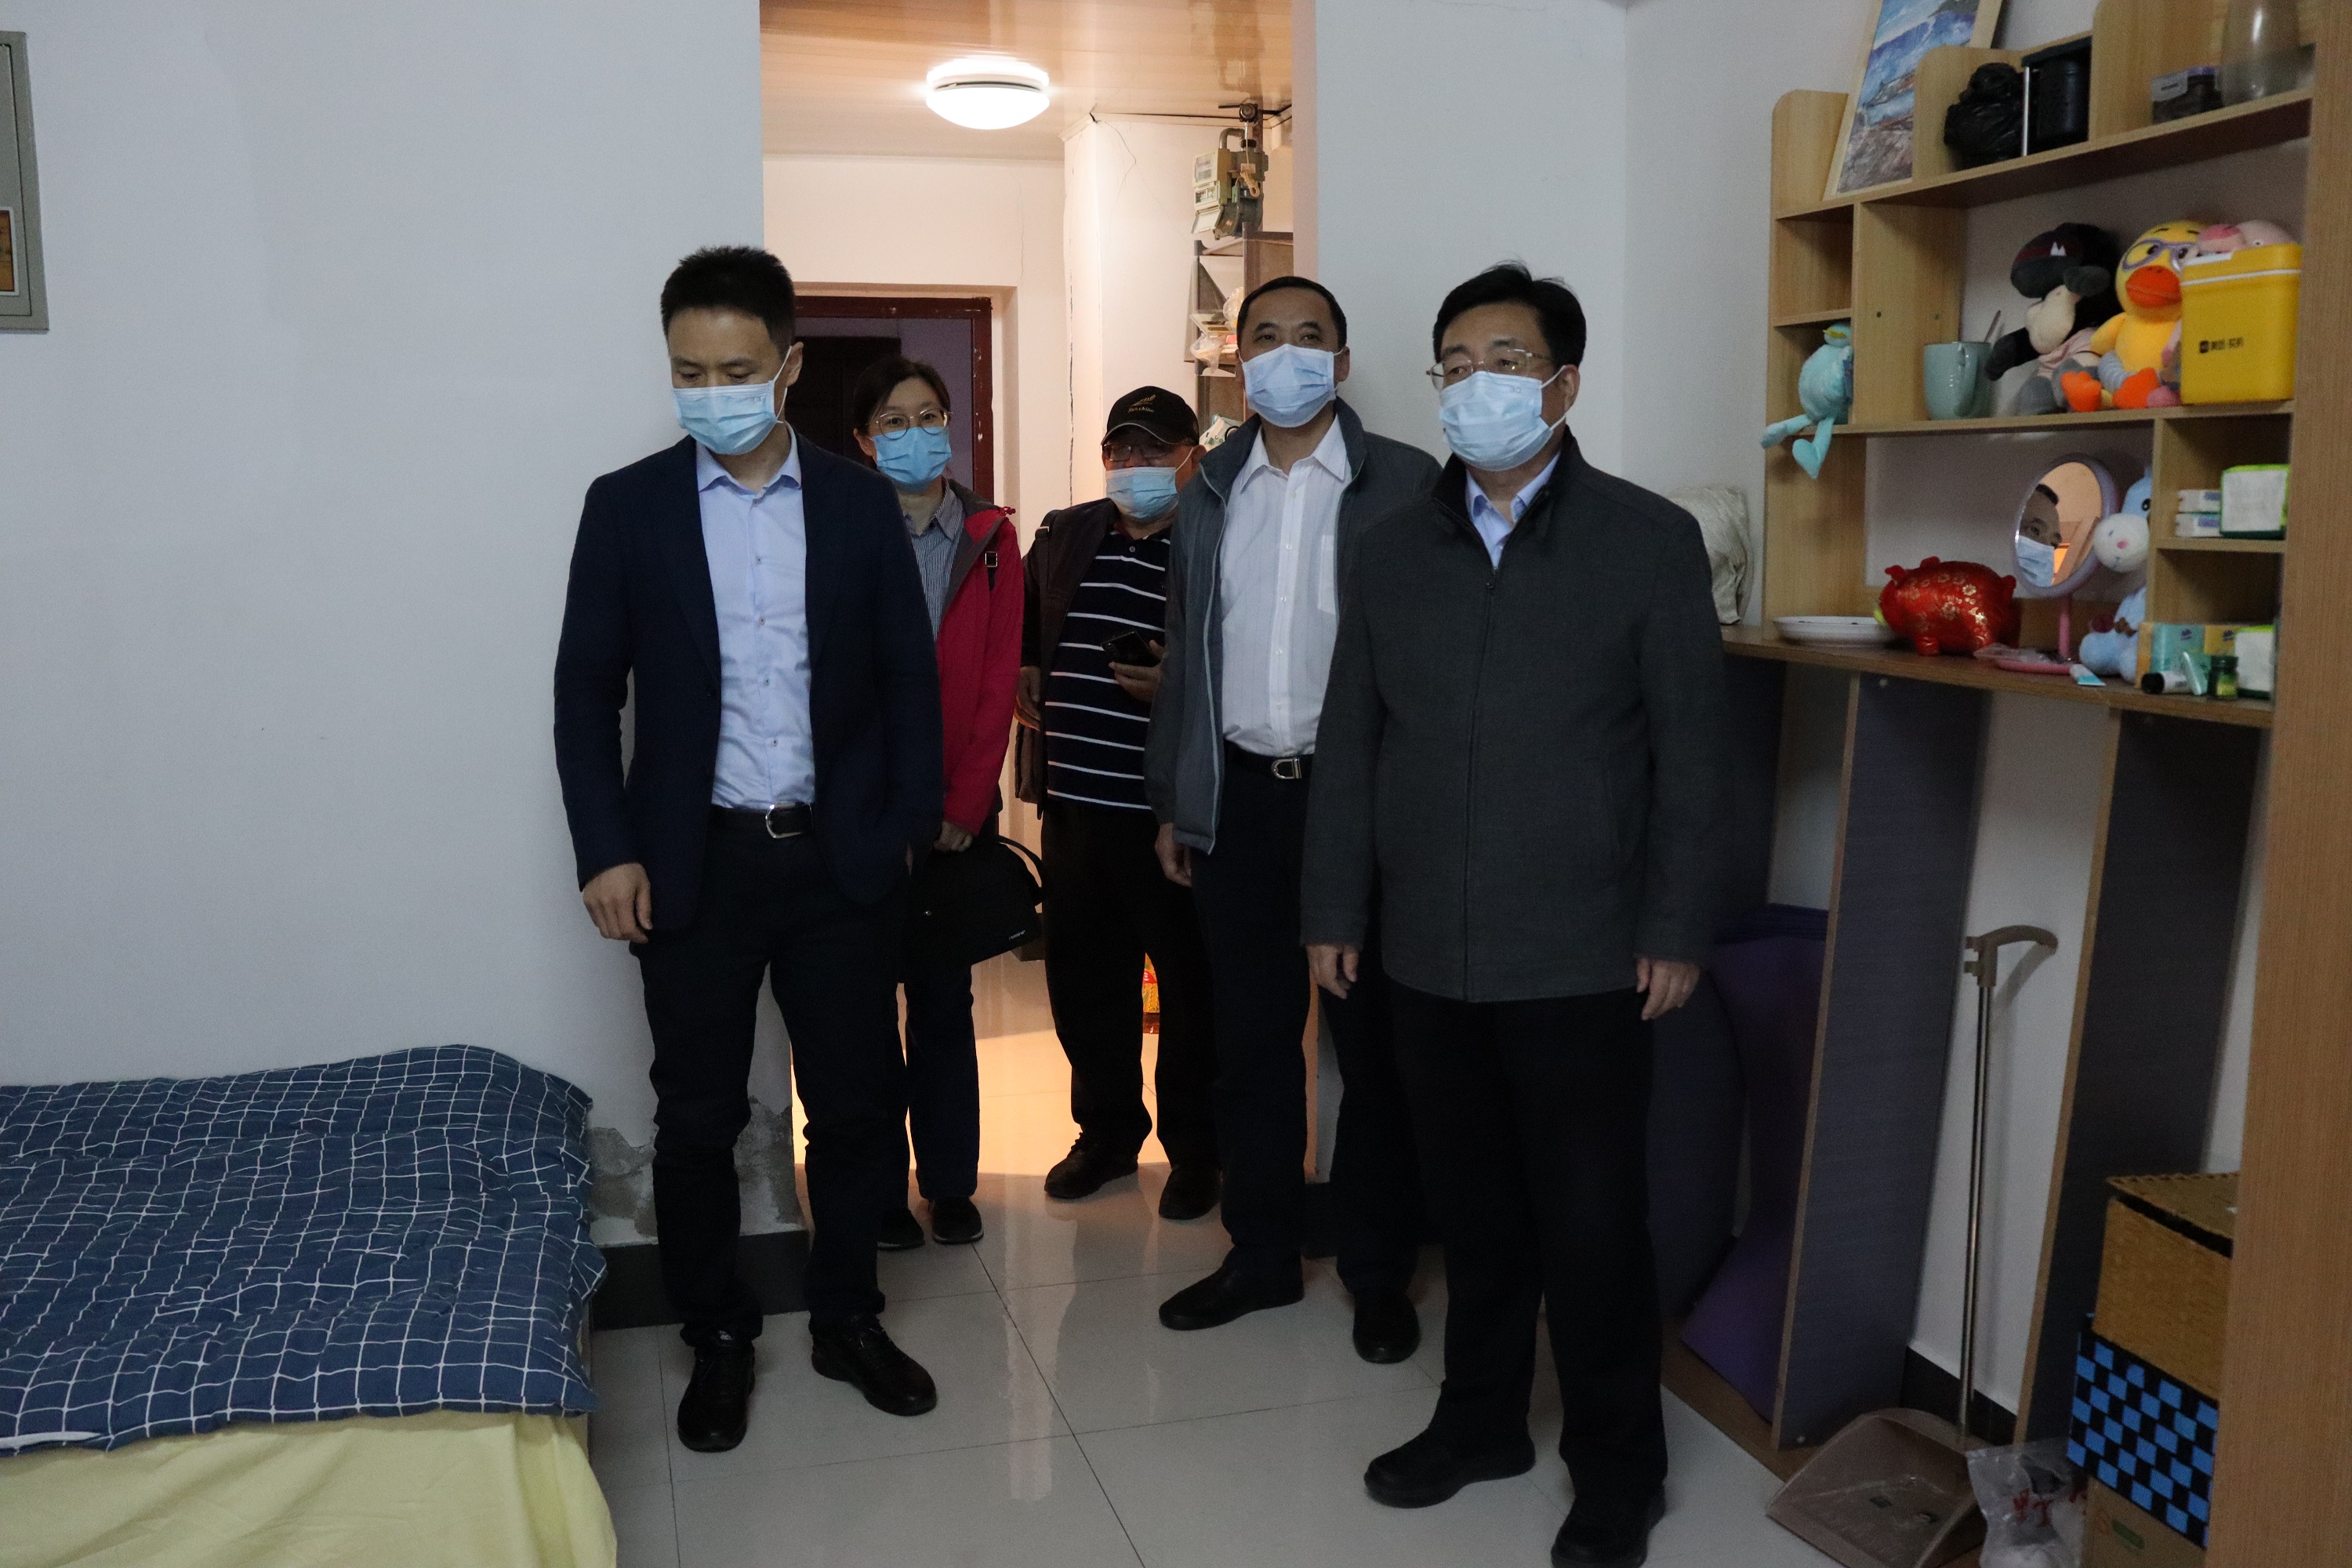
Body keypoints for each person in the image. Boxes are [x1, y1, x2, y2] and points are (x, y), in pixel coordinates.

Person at [1300, 263, 1728, 1568]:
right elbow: (1352, 745)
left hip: (1586, 956)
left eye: (1504, 361)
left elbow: (1693, 756)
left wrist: (1675, 925)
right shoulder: (1390, 551)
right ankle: (1481, 1422)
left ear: (1563, 384)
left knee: (1593, 1227)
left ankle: (1618, 1467)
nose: (1473, 385)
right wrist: (1335, 907)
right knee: (1473, 1215)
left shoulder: (1646, 541)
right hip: (1427, 952)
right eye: (1454, 364)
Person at [554, 246, 945, 1454]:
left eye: (735, 369)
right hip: (694, 868)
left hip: (838, 865)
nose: (711, 391)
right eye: (689, 371)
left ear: (789, 364)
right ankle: (716, 1334)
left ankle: (846, 1317)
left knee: (857, 1107)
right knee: (697, 1120)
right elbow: (584, 693)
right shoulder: (627, 507)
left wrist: (899, 833)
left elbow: (907, 681)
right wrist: (607, 850)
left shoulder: (856, 504)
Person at [1144, 277, 1440, 1361]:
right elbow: (1187, 654)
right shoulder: (1211, 489)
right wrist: (1178, 799)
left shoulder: (1407, 483)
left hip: (1357, 802)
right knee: (1251, 1044)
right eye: (1265, 336)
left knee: (1373, 1049)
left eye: (1309, 337)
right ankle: (1262, 1252)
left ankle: (1377, 1269)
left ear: (1342, 363)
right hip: (1238, 803)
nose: (1286, 354)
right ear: (1237, 360)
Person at [1013, 387, 1221, 1220]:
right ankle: (1105, 1135)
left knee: (1191, 990)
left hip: (1166, 816)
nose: (1133, 466)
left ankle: (1197, 1153)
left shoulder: (1213, 541)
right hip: (1074, 807)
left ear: (1189, 459)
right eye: (1120, 451)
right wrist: (1028, 664)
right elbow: (1024, 616)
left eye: (1152, 451)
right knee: (1085, 984)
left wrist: (1178, 681)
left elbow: (1240, 659)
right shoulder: (1067, 534)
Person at [844, 354, 1023, 1254]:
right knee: (865, 1012)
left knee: (944, 1003)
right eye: (894, 420)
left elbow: (997, 680)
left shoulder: (990, 538)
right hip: (865, 816)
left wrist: (965, 800)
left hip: (955, 817)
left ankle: (950, 1184)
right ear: (864, 440)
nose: (915, 433)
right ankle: (880, 1191)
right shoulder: (841, 530)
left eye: (929, 416)